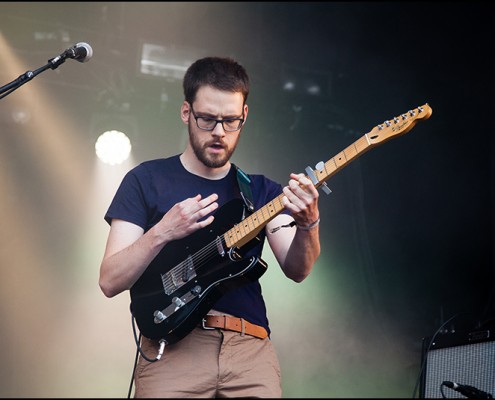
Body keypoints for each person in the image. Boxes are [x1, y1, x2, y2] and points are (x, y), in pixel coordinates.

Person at [99, 56, 321, 398]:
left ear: (244, 116)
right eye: (207, 119)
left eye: (230, 120)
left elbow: (298, 269)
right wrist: (163, 231)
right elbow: (110, 280)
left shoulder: (262, 191)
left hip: (250, 349)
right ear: (187, 112)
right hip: (174, 351)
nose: (219, 131)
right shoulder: (145, 180)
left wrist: (310, 224)